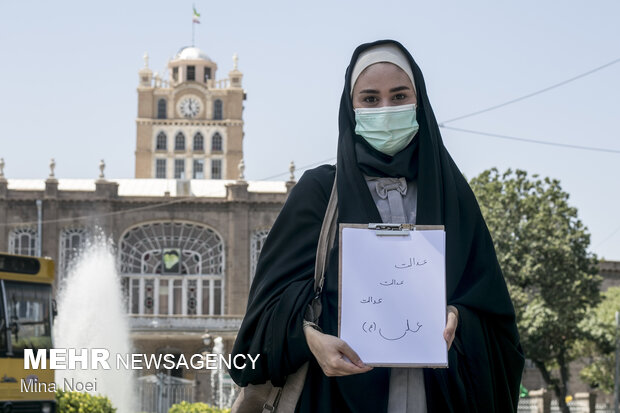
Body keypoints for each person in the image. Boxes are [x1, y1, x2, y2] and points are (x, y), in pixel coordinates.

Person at [230, 39, 524, 413]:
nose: (386, 109)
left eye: (399, 96)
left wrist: (458, 317)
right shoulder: (319, 194)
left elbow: (495, 317)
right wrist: (309, 338)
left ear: (419, 102)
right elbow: (263, 318)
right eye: (370, 99)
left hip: (436, 398)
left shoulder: (453, 197)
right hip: (333, 398)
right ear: (350, 108)